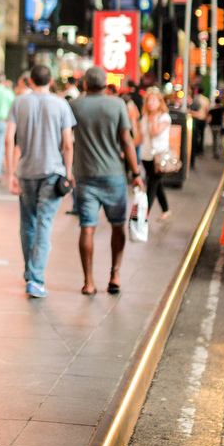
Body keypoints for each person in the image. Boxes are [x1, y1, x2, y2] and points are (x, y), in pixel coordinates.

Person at [68, 69, 142, 296]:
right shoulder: (117, 104)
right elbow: (127, 142)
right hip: (113, 176)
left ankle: (89, 282)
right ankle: (115, 274)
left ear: (85, 84)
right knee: (118, 225)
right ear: (104, 84)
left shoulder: (75, 106)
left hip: (85, 176)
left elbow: (66, 139)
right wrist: (136, 172)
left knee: (87, 228)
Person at [6, 64, 75, 298]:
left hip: (26, 171)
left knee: (28, 222)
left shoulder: (19, 102)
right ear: (51, 80)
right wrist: (68, 170)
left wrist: (10, 172)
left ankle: (30, 271)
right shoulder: (61, 104)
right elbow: (67, 143)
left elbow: (9, 138)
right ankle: (36, 279)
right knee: (44, 223)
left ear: (30, 80)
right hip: (52, 171)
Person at [138, 88, 172, 221]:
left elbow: (154, 133)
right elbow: (140, 137)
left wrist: (153, 118)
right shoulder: (145, 117)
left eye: (153, 100)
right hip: (146, 156)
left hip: (160, 158)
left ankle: (144, 215)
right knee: (157, 184)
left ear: (159, 101)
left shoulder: (164, 117)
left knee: (152, 184)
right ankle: (166, 209)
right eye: (148, 100)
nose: (150, 103)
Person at [188, 87, 210, 164]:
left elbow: (192, 108)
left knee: (195, 136)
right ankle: (200, 150)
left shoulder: (196, 98)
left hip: (196, 118)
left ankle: (196, 149)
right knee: (202, 135)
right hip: (203, 119)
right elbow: (207, 110)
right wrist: (206, 117)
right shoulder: (206, 100)